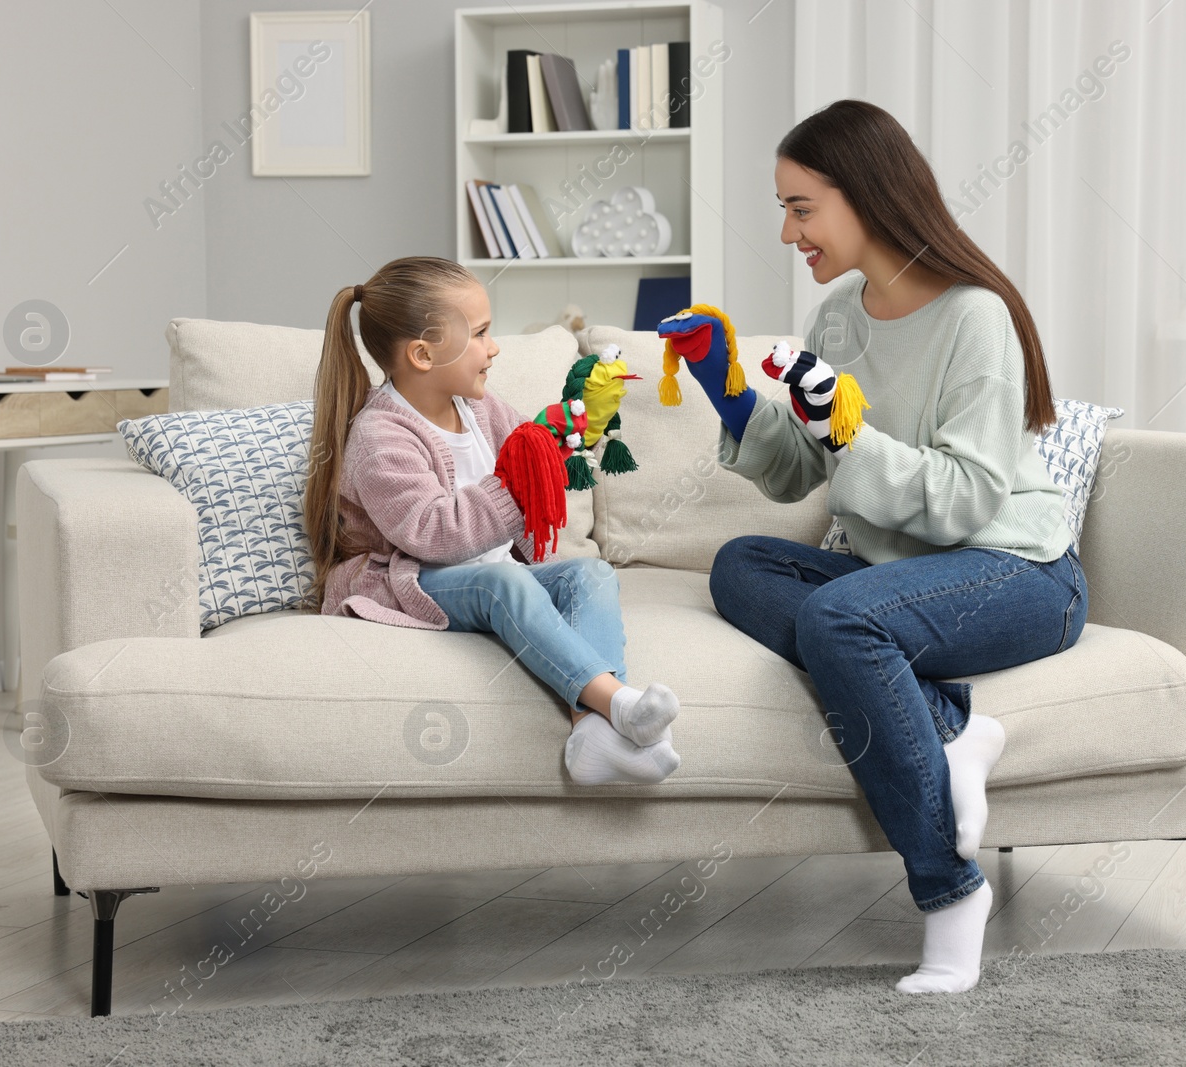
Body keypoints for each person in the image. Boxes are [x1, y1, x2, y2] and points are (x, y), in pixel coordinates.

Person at [692, 101, 1088, 993]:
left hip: (1020, 571)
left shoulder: (974, 317)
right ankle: (954, 732)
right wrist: (730, 394)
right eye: (783, 209)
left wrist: (847, 422)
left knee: (839, 617)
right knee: (741, 565)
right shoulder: (839, 316)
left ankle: (950, 895)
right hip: (906, 579)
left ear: (865, 195)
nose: (787, 230)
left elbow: (965, 499)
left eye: (802, 207)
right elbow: (802, 470)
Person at [301, 256, 682, 786]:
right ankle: (617, 701)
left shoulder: (478, 407)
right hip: (409, 578)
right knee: (501, 580)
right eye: (480, 334)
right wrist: (521, 481)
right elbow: (433, 535)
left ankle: (590, 729)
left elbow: (535, 452)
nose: (494, 346)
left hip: (484, 574)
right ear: (422, 354)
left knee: (590, 574)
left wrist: (576, 430)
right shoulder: (380, 436)